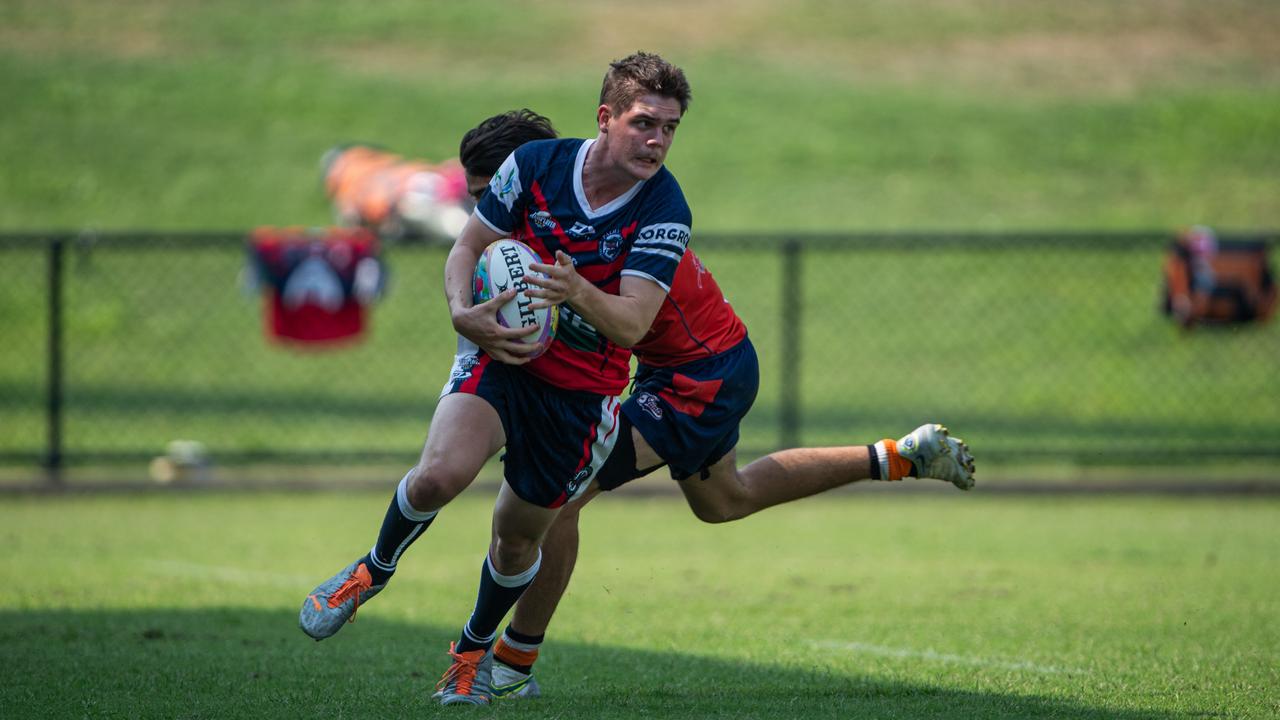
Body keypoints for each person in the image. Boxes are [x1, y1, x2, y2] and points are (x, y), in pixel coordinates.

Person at [448, 113, 977, 700]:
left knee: (561, 496)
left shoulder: (581, 226)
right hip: (692, 366)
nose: (482, 214)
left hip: (699, 375)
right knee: (725, 501)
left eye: (486, 194)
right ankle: (899, 457)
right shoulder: (545, 229)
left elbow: (621, 327)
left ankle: (513, 666)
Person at [298, 52, 698, 706]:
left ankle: (471, 653)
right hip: (502, 360)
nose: (657, 140)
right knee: (437, 475)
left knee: (516, 540)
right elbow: (465, 247)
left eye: (670, 127)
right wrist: (463, 312)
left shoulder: (664, 207)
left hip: (580, 396)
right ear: (605, 118)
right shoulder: (533, 166)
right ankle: (371, 571)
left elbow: (631, 326)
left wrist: (573, 292)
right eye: (644, 122)